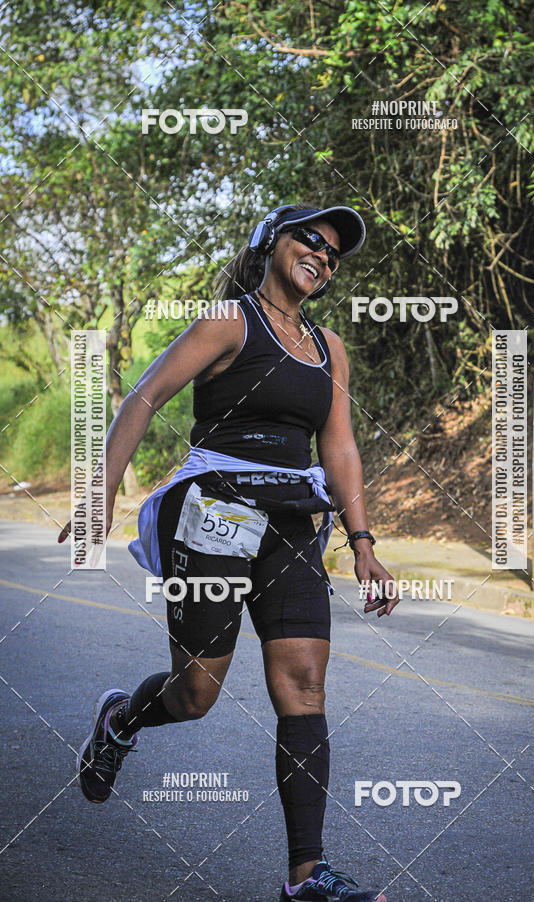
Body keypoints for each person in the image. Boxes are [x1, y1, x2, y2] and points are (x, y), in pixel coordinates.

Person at [58, 203, 399, 901]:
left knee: (304, 685)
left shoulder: (328, 346)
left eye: (334, 253)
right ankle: (122, 719)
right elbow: (147, 397)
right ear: (272, 242)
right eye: (312, 238)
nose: (323, 256)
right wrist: (103, 490)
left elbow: (339, 445)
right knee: (196, 693)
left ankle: (307, 876)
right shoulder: (227, 321)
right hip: (214, 509)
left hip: (293, 522)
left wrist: (363, 541)